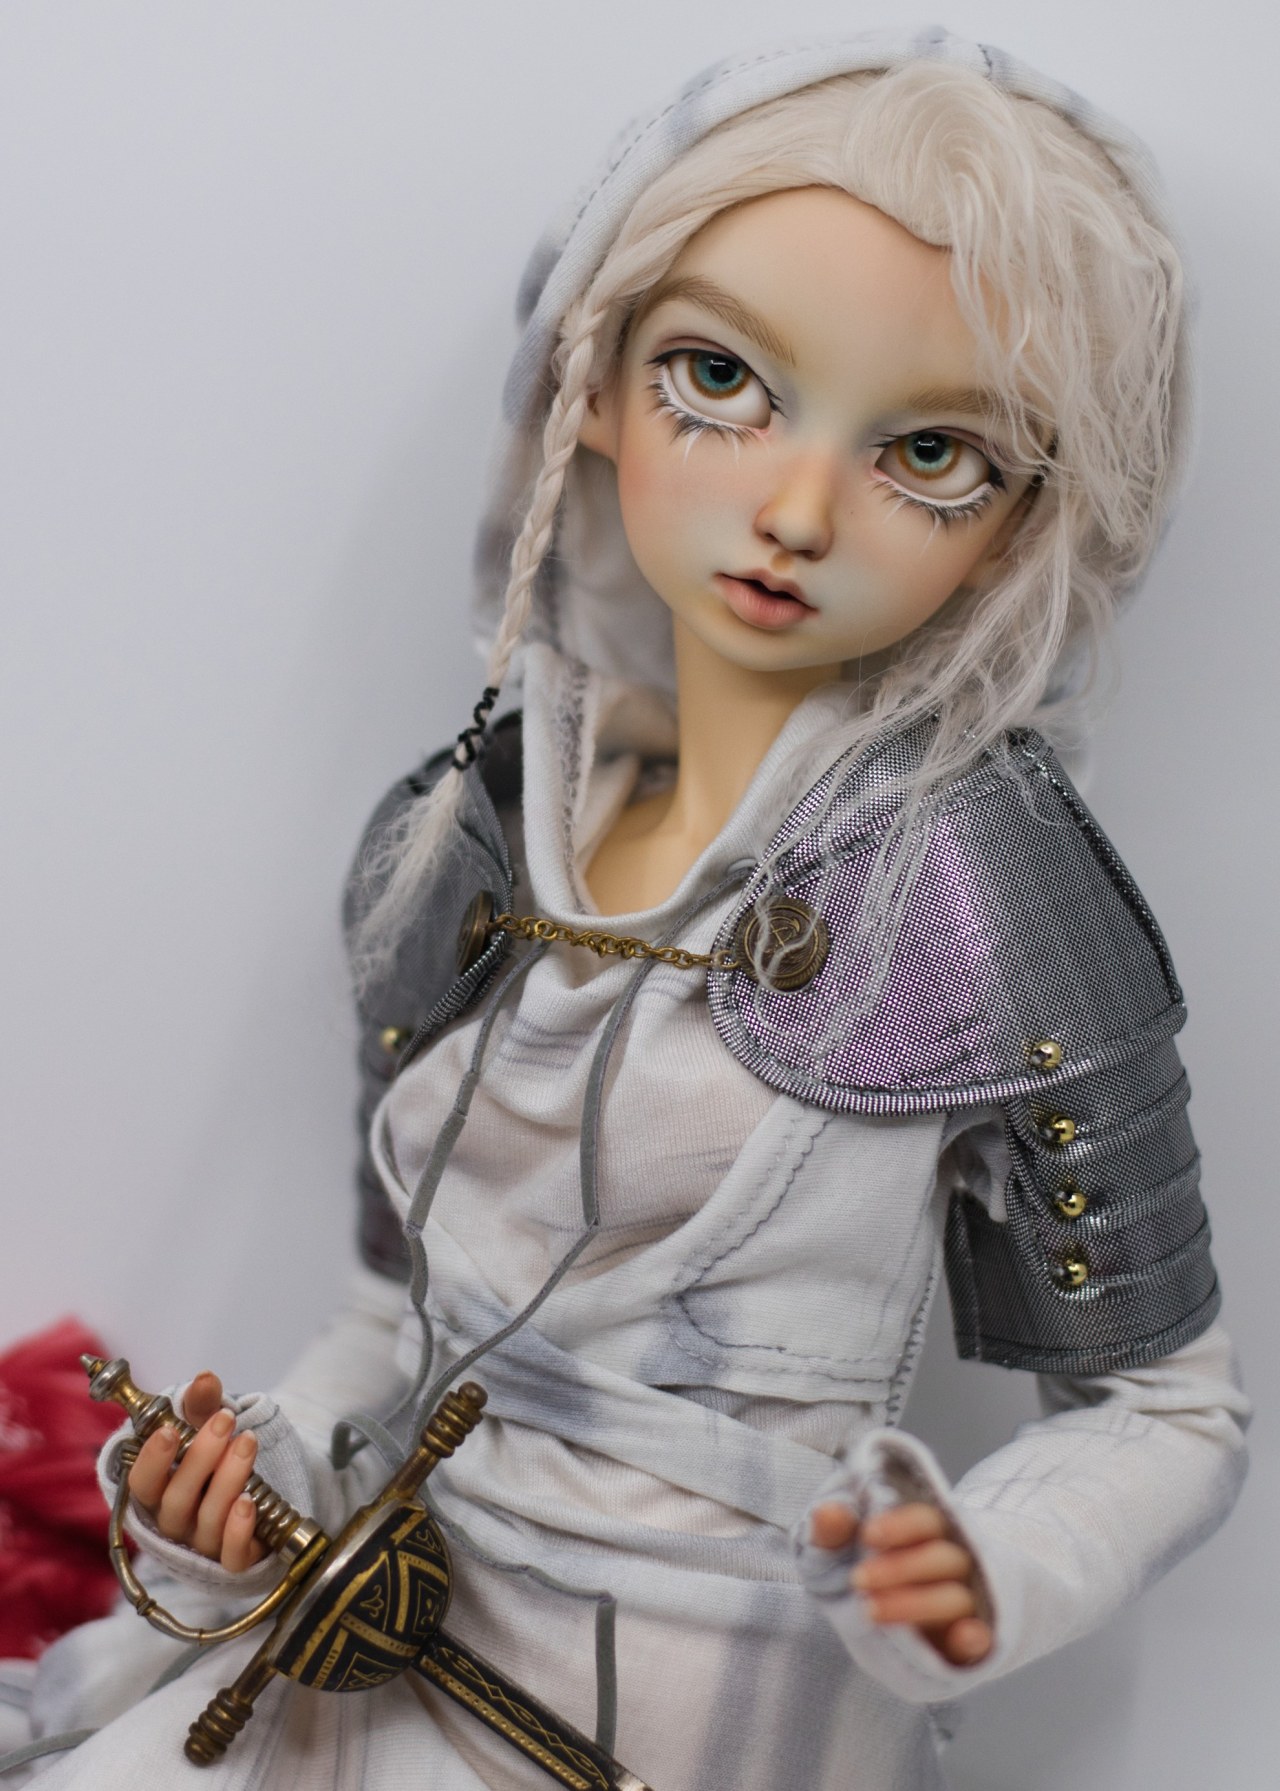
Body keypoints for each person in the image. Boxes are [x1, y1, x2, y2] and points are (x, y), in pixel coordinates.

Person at [5, 26, 1249, 1790]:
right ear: (589, 375)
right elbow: (389, 1330)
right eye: (720, 379)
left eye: (930, 454)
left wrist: (989, 1567)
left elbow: (1168, 1408)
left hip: (712, 1693)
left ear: (1025, 521)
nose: (797, 508)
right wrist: (242, 1488)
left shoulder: (987, 887)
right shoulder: (473, 825)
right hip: (378, 1630)